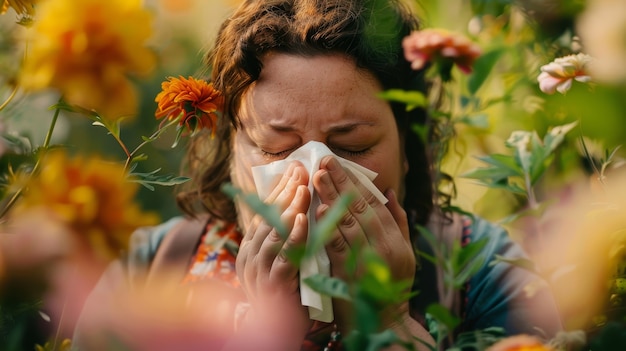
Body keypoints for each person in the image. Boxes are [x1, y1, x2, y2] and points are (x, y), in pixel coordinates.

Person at [73, 0, 562, 350]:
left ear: (408, 148)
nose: (314, 176)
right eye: (276, 147)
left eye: (353, 146)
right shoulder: (154, 270)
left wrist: (388, 324)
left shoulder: (482, 270)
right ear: (228, 151)